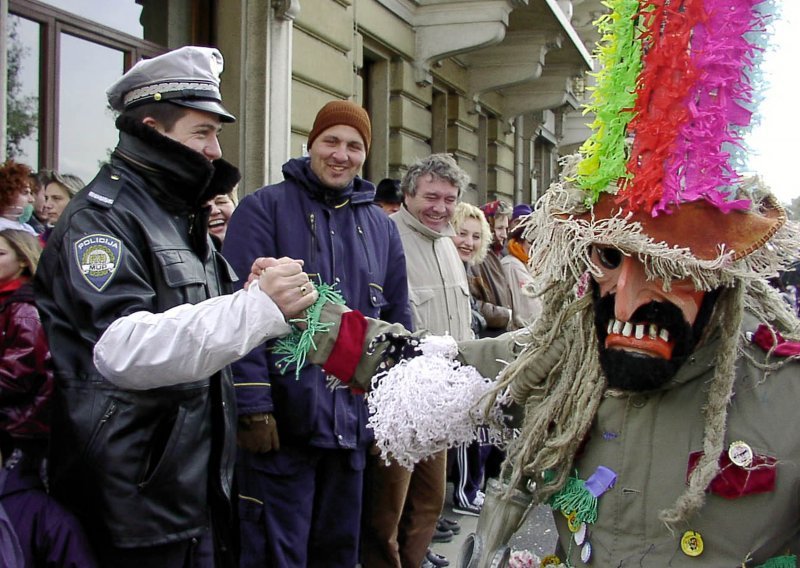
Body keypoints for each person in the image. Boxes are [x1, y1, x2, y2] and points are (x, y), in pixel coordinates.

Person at [267, 1, 800, 564]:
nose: (628, 294)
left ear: (720, 274)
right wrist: (302, 310)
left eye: (670, 267)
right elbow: (426, 362)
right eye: (610, 257)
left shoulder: (784, 391)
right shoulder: (568, 359)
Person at [34, 46, 317, 568]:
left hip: (191, 489)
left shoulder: (176, 214)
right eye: (202, 132)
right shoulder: (103, 219)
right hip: (132, 499)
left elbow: (191, 319)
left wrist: (243, 293)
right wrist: (252, 309)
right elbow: (120, 348)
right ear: (152, 127)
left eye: (216, 133)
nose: (214, 150)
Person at [221, 99, 412, 568]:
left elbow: (396, 318)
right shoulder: (262, 209)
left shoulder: (381, 230)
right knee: (274, 553)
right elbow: (234, 313)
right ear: (311, 144)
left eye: (353, 145)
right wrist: (253, 404)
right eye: (331, 141)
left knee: (337, 553)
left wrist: (397, 407)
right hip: (284, 426)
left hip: (352, 427)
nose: (340, 154)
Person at [360, 153, 471, 568]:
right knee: (386, 509)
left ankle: (416, 561)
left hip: (442, 400)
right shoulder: (385, 236)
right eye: (431, 196)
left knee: (430, 501)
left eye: (449, 198)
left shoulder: (447, 245)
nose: (440, 207)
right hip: (398, 401)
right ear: (408, 195)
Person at [0, 228, 98, 567]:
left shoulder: (24, 307)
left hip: (24, 424)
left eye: (1, 254)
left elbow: (20, 370)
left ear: (24, 261)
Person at [470, 199, 519, 338]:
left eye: (506, 228)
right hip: (487, 337)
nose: (504, 234)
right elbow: (472, 303)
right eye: (499, 228)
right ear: (487, 226)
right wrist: (504, 314)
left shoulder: (494, 255)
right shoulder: (476, 258)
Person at [501, 225, 541, 327]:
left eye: (540, 243)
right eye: (531, 243)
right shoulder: (512, 265)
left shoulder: (528, 265)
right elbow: (529, 309)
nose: (535, 248)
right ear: (519, 241)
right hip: (523, 332)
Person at [39, 170, 85, 241]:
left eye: (56, 198)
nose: (47, 205)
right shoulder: (37, 243)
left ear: (76, 201)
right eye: (46, 198)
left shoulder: (97, 240)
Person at [0, 161, 37, 236]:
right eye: (25, 193)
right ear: (7, 194)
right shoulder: (2, 229)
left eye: (31, 193)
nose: (31, 199)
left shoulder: (27, 228)